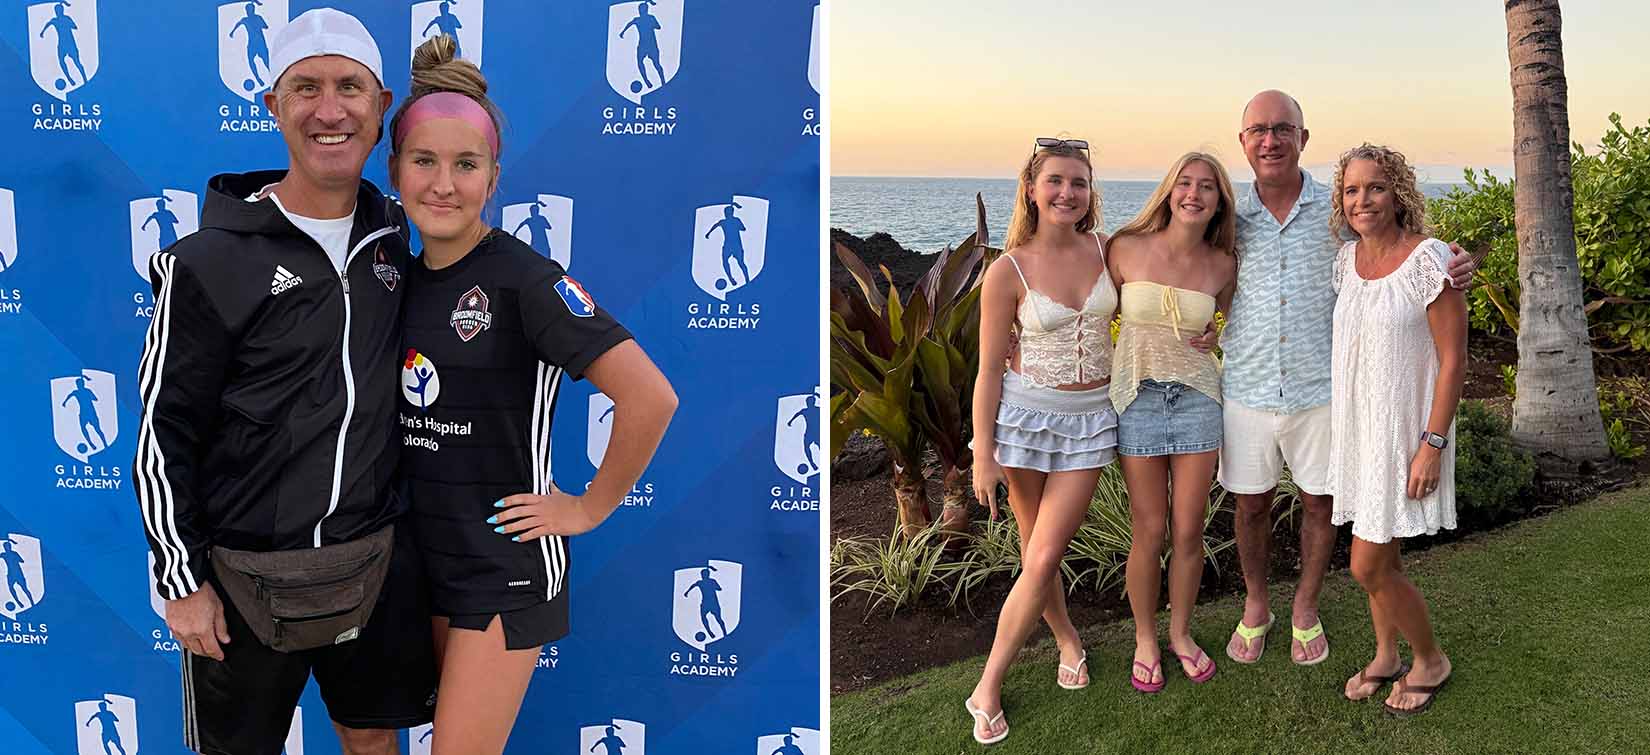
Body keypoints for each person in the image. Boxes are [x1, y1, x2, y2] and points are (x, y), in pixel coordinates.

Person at [133, 10, 437, 754]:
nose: (330, 110)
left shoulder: (395, 235)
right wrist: (181, 581)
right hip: (241, 579)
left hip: (372, 564)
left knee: (373, 742)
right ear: (273, 105)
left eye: (350, 88)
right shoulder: (204, 262)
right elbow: (162, 433)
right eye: (306, 88)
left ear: (381, 107)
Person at [389, 35, 677, 754]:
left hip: (503, 568)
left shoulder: (528, 281)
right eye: (424, 161)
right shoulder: (392, 278)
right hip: (420, 558)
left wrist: (588, 506)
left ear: (493, 178)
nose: (443, 184)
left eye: (466, 164)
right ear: (394, 170)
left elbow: (650, 397)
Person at [1209, 91, 1477, 667]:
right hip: (1247, 388)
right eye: (1258, 130)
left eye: (1283, 129)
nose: (1271, 140)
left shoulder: (1335, 218)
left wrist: (1453, 263)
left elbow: (1403, 258)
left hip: (1323, 393)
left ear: (1302, 138)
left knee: (1318, 505)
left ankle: (1306, 606)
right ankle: (1256, 605)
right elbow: (1172, 248)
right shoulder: (1224, 214)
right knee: (1249, 507)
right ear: (1243, 141)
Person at [964, 137, 1117, 745]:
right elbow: (988, 371)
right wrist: (982, 452)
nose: (1067, 193)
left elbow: (1168, 270)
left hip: (1091, 421)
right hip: (1024, 422)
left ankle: (987, 684)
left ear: (1090, 192)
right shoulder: (1008, 271)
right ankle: (1067, 640)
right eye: (1055, 180)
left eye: (1078, 182)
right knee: (1039, 555)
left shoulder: (1108, 250)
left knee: (1045, 552)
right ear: (1031, 189)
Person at [1327, 144, 1461, 715]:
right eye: (1352, 190)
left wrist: (1432, 445)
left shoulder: (1430, 260)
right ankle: (1386, 656)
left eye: (1376, 187)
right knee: (1385, 559)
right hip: (1360, 433)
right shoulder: (1345, 261)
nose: (1363, 200)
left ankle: (1430, 659)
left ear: (1398, 193)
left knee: (1367, 564)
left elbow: (1453, 361)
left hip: (1406, 435)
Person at [1106, 152, 1239, 692]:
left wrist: (1217, 334)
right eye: (1185, 183)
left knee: (1188, 529)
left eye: (1207, 187)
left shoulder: (1223, 264)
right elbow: (1089, 313)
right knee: (1149, 529)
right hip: (1136, 397)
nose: (1194, 194)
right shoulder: (1124, 247)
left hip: (1198, 399)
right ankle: (1145, 637)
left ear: (1219, 202)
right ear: (1169, 190)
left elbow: (1234, 323)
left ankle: (1180, 633)